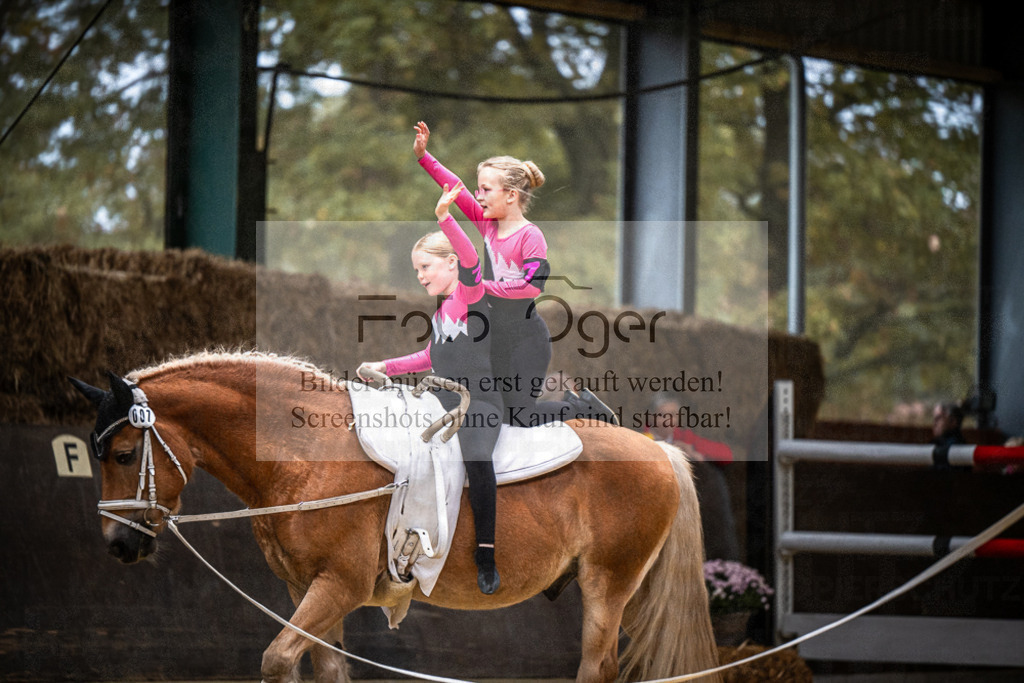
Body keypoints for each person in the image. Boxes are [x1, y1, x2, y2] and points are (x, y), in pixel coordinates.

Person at [412, 121, 617, 426]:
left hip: (526, 341)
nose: (479, 196)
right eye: (478, 189)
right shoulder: (487, 225)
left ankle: (582, 408)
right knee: (494, 412)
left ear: (510, 195)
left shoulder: (529, 236)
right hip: (496, 337)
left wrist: (481, 286)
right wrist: (424, 156)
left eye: (486, 189)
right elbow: (455, 187)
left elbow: (532, 286)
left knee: (520, 416)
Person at [359, 181, 502, 594]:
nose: (419, 276)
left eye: (425, 267)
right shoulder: (441, 312)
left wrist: (445, 217)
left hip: (480, 402)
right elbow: (428, 357)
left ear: (452, 263)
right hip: (442, 399)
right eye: (416, 269)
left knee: (477, 457)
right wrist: (382, 365)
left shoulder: (472, 293)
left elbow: (474, 258)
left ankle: (486, 554)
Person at [641, 392, 740, 562]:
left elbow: (727, 455)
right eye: (662, 415)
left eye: (673, 415)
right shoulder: (642, 439)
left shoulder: (683, 438)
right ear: (651, 417)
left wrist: (694, 452)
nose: (668, 421)